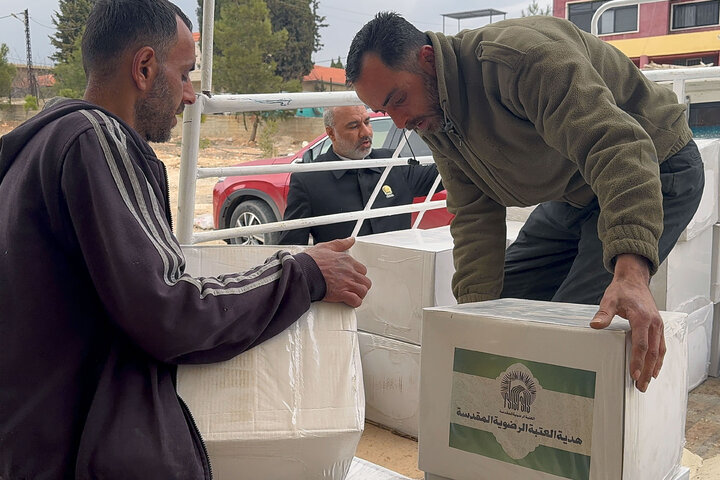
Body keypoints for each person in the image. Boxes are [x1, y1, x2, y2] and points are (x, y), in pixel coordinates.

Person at [0, 0, 370, 478]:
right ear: (145, 68)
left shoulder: (39, 145)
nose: (191, 95)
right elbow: (170, 311)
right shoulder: (95, 140)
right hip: (74, 455)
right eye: (184, 74)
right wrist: (304, 274)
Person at [345, 12, 704, 393]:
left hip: (654, 166)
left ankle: (573, 440)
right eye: (386, 112)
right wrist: (471, 322)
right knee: (499, 310)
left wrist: (632, 275)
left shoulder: (518, 60)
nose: (399, 123)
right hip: (576, 188)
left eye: (398, 100)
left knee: (571, 328)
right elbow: (473, 211)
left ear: (427, 59)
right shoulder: (431, 113)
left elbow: (618, 148)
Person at [279, 105, 441, 245]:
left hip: (398, 273)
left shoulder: (392, 163)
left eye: (367, 122)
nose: (365, 132)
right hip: (345, 278)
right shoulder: (309, 179)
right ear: (331, 133)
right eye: (353, 126)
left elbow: (445, 173)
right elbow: (291, 246)